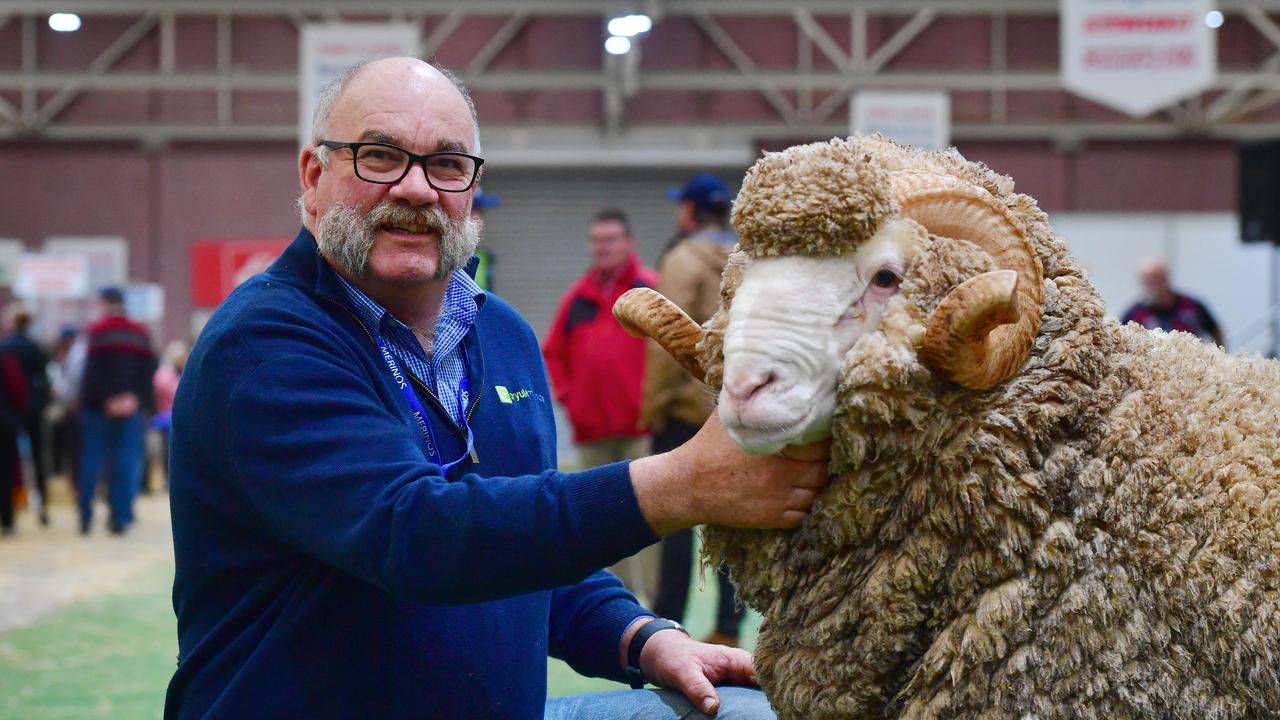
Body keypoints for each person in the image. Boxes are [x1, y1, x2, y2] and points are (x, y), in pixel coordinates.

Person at [165, 57, 828, 720]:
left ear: (473, 189)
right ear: (314, 177)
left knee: (751, 713)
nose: (417, 188)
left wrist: (643, 638)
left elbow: (523, 551)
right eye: (380, 156)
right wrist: (682, 482)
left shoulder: (501, 333)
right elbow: (419, 536)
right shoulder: (263, 346)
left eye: (447, 164)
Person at [644, 172, 747, 648]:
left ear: (688, 211)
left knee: (673, 518)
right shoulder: (748, 260)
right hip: (733, 412)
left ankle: (668, 624)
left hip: (684, 412)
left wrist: (654, 405)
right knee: (730, 521)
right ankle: (728, 627)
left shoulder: (681, 259)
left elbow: (665, 341)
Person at [543, 208, 662, 603]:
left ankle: (660, 604)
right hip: (593, 432)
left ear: (629, 243)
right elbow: (553, 353)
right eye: (597, 241)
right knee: (604, 522)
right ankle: (618, 603)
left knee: (654, 520)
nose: (603, 248)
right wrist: (569, 398)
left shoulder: (650, 292)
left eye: (610, 240)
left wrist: (656, 403)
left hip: (642, 431)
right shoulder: (577, 298)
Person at [77, 286, 157, 536]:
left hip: (98, 410)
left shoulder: (96, 332)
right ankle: (121, 517)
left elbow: (91, 372)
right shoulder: (140, 333)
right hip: (131, 409)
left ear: (104, 303)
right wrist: (133, 399)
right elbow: (148, 372)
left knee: (92, 460)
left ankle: (86, 516)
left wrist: (106, 401)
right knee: (126, 462)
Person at [1, 303, 51, 525]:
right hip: (33, 410)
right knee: (38, 459)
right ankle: (41, 504)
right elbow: (44, 380)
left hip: (9, 412)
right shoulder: (35, 347)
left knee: (7, 462)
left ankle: (9, 511)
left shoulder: (6, 347)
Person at [1121, 257, 1225, 347]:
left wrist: (1217, 357)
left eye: (1157, 278)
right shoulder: (1134, 314)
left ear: (1166, 277)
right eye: (1147, 280)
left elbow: (1216, 331)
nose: (1153, 285)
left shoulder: (1192, 306)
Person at [470, 186, 500, 291]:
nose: (478, 220)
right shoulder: (446, 260)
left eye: (480, 212)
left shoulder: (484, 257)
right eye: (470, 211)